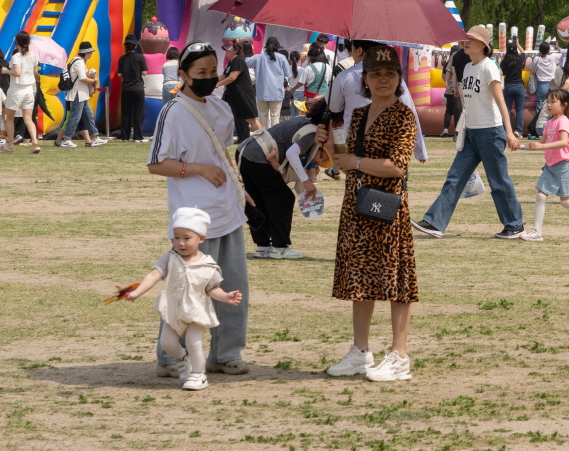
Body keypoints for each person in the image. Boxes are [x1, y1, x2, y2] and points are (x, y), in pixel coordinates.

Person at [147, 42, 251, 378]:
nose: (207, 78)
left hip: (227, 210)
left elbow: (222, 152)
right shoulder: (173, 112)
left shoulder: (221, 110)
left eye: (211, 71)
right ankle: (169, 357)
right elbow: (157, 164)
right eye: (200, 73)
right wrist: (199, 169)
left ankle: (226, 352)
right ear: (183, 75)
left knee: (233, 285)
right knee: (187, 289)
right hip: (192, 216)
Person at [326, 43, 420, 383]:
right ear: (364, 79)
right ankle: (360, 352)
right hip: (357, 203)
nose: (383, 80)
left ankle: (398, 355)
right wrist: (327, 142)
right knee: (360, 279)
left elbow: (396, 166)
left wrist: (357, 163)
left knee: (396, 280)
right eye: (376, 74)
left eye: (390, 74)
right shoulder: (360, 114)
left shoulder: (404, 115)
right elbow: (342, 159)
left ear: (399, 79)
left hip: (387, 207)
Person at [413, 25, 524, 240]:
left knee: (498, 181)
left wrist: (509, 133)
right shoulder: (469, 67)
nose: (465, 43)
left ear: (483, 44)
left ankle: (515, 224)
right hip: (472, 132)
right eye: (465, 40)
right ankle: (434, 222)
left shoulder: (488, 67)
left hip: (490, 132)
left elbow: (501, 102)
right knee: (454, 178)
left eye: (470, 40)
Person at [116, 206, 244, 391]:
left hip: (195, 311)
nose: (181, 243)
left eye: (186, 238)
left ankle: (199, 375)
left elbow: (212, 289)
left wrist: (226, 297)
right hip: (173, 310)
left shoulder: (207, 265)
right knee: (167, 343)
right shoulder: (171, 257)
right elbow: (154, 275)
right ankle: (184, 360)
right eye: (176, 238)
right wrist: (137, 292)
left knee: (194, 342)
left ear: (201, 238)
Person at [240, 98, 328, 261]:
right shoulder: (312, 131)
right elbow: (292, 153)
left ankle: (262, 246)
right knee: (284, 198)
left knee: (257, 201)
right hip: (259, 158)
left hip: (247, 154)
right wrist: (307, 181)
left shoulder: (303, 120)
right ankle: (279, 247)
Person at [517, 89, 569, 242]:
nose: (548, 105)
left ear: (564, 105)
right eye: (547, 101)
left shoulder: (563, 121)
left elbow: (564, 142)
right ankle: (536, 231)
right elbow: (540, 144)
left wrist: (541, 147)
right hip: (550, 166)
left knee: (566, 201)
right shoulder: (550, 122)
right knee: (541, 195)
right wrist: (521, 147)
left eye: (552, 102)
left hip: (563, 166)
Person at [2, 32, 42, 155]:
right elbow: (36, 73)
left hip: (17, 89)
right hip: (29, 89)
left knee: (9, 118)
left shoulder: (16, 57)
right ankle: (34, 142)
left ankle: (10, 145)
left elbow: (17, 72)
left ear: (17, 43)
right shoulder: (33, 55)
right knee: (28, 119)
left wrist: (7, 71)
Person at [58, 43, 98, 148]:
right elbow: (82, 78)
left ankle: (94, 137)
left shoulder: (76, 61)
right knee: (75, 117)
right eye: (90, 53)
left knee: (88, 115)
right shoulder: (79, 62)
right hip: (78, 94)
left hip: (81, 94)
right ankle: (66, 139)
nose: (91, 55)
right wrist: (94, 80)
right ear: (86, 52)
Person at [219, 40, 260, 135]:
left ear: (233, 51)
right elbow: (224, 75)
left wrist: (218, 84)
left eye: (227, 50)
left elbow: (232, 77)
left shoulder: (238, 60)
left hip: (244, 94)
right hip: (234, 94)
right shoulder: (232, 61)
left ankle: (262, 138)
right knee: (223, 111)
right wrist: (212, 82)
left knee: (250, 119)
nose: (226, 52)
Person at [253, 37, 290, 129]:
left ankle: (263, 138)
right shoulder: (282, 57)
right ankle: (274, 138)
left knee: (263, 117)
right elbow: (287, 73)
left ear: (266, 46)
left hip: (262, 92)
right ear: (278, 47)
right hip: (276, 92)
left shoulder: (259, 57)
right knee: (275, 117)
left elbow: (246, 62)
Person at [527, 41, 560, 137]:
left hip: (542, 84)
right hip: (553, 84)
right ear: (549, 49)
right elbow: (562, 55)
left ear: (540, 50)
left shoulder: (537, 59)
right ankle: (553, 127)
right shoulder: (553, 57)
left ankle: (540, 128)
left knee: (540, 107)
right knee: (554, 105)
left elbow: (531, 70)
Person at [117, 36, 147, 142]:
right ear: (135, 46)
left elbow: (119, 74)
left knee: (126, 113)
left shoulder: (122, 58)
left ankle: (125, 136)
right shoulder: (140, 57)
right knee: (138, 113)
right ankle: (137, 137)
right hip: (138, 88)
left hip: (126, 88)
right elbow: (144, 72)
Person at [500, 38, 527, 138]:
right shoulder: (519, 59)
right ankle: (519, 131)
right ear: (516, 50)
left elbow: (503, 73)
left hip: (508, 86)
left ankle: (506, 130)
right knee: (519, 109)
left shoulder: (504, 61)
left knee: (507, 108)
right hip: (519, 85)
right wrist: (518, 44)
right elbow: (524, 53)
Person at [440, 43, 463, 138]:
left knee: (449, 110)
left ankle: (446, 129)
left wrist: (447, 83)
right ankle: (457, 130)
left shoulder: (447, 63)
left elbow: (444, 75)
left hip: (449, 90)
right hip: (455, 87)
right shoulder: (458, 58)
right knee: (458, 109)